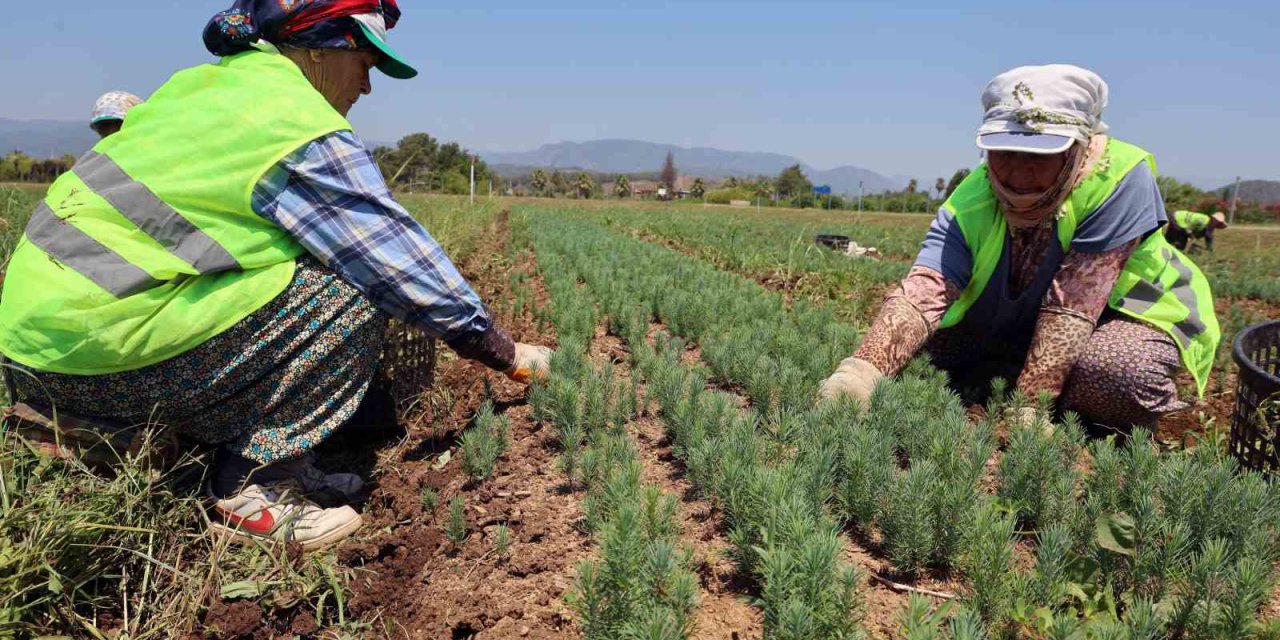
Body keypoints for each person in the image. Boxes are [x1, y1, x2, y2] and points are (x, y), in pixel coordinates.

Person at [0, 0, 552, 551]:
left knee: (297, 269)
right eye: (364, 61)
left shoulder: (204, 87)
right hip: (96, 353)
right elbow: (395, 263)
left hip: (30, 353)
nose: (367, 86)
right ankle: (251, 489)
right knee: (352, 289)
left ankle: (235, 449)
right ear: (320, 48)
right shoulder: (293, 120)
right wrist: (503, 353)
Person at [820, 64, 1220, 433]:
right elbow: (925, 288)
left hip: (1114, 318)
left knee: (1114, 374)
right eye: (1004, 153)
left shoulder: (1117, 179)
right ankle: (1015, 370)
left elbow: (1073, 305)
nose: (1017, 173)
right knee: (919, 349)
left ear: (1076, 149)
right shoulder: (972, 197)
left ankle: (1078, 407)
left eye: (1039, 155)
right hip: (1020, 320)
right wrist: (861, 371)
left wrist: (1029, 408)